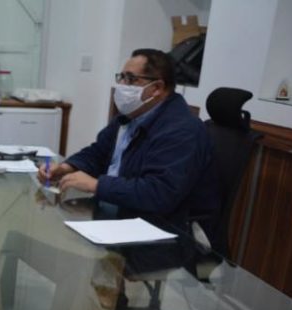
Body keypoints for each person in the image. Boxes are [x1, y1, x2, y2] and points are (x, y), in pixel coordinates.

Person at [38, 48, 217, 234]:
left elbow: (159, 193)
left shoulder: (183, 130)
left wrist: (96, 185)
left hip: (160, 230)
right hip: (119, 213)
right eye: (121, 77)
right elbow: (99, 152)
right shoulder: (130, 117)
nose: (122, 85)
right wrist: (66, 167)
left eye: (131, 79)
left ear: (157, 88)